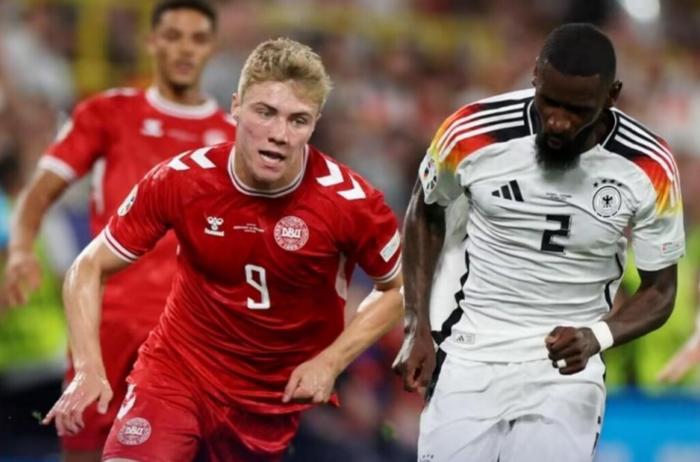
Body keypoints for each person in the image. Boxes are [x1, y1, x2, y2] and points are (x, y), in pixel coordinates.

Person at [42, 37, 404, 461]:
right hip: (176, 374)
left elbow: (397, 289)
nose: (279, 134)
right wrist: (87, 368)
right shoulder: (180, 180)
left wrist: (331, 361)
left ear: (315, 124)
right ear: (235, 106)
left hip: (268, 401)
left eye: (298, 120)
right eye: (264, 112)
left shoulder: (351, 203)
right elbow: (87, 267)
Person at [393, 23, 683, 462]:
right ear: (534, 75)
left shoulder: (649, 166)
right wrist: (416, 326)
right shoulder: (471, 132)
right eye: (549, 101)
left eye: (577, 109)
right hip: (471, 352)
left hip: (567, 370)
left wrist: (598, 335)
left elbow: (661, 290)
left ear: (612, 95)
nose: (558, 121)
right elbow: (425, 212)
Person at [1, 0, 236, 459]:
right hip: (103, 329)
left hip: (186, 338)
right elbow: (39, 190)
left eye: (197, 39)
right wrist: (23, 247)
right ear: (152, 42)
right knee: (85, 453)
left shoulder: (234, 138)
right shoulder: (107, 114)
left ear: (212, 47)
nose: (185, 49)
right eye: (173, 36)